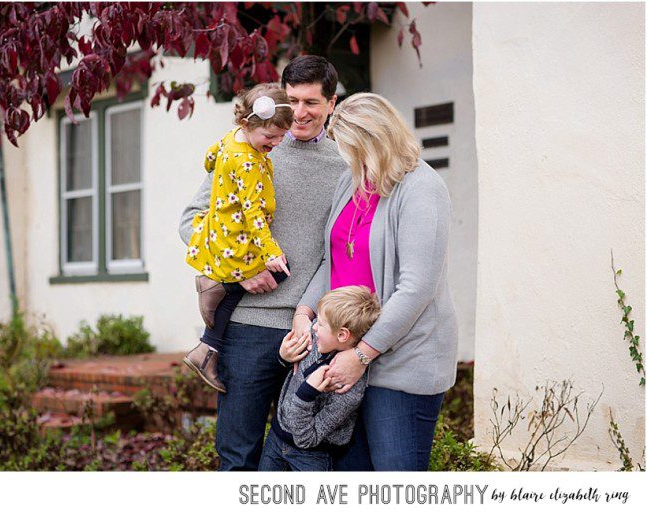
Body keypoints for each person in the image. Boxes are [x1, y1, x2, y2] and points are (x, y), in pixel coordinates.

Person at [178, 55, 347, 471]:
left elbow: (337, 253)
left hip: (311, 334)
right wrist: (243, 269)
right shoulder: (248, 148)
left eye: (311, 102)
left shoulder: (346, 165)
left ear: (332, 103)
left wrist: (308, 314)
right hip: (247, 329)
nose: (300, 114)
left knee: (303, 456)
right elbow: (192, 222)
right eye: (292, 101)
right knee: (238, 456)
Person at [293, 92, 459, 471]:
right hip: (345, 358)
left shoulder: (421, 188)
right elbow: (334, 259)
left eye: (350, 148)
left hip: (399, 362)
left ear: (375, 140)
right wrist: (304, 312)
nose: (345, 158)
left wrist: (362, 354)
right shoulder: (351, 183)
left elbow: (416, 288)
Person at [183, 82, 295, 393]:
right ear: (248, 124)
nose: (275, 143)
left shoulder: (233, 139)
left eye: (280, 137)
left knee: (241, 289)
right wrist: (270, 251)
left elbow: (211, 156)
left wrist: (217, 169)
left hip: (221, 230)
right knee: (284, 270)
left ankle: (207, 344)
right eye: (270, 137)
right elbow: (252, 213)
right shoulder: (248, 161)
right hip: (237, 237)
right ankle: (217, 284)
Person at [259, 286, 380, 471]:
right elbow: (292, 373)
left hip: (312, 456)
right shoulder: (316, 341)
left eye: (320, 324)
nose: (313, 326)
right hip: (275, 440)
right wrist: (283, 358)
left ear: (342, 334)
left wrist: (308, 392)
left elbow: (307, 439)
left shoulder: (348, 388)